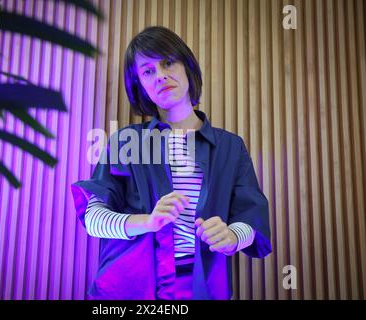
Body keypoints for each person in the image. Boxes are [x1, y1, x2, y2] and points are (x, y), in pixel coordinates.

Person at [71, 26, 272, 300]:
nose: (161, 76)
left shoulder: (230, 147)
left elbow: (252, 217)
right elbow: (93, 217)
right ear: (139, 85)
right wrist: (148, 221)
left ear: (186, 66)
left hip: (203, 288)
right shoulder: (126, 141)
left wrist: (232, 236)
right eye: (147, 71)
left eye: (168, 62)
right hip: (127, 287)